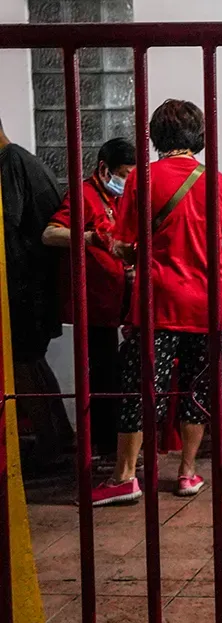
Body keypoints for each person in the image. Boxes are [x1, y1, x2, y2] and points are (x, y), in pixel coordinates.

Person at [90, 99, 222, 506]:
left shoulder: (143, 179)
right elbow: (220, 234)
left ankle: (125, 477)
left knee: (139, 388)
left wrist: (136, 253)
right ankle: (188, 474)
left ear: (155, 136)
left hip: (161, 301)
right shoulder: (217, 181)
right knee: (196, 388)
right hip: (206, 301)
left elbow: (122, 244)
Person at [42, 137, 137, 462]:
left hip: (125, 301)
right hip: (94, 305)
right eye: (123, 173)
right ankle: (105, 447)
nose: (126, 180)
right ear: (103, 168)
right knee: (103, 375)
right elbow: (50, 234)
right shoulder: (82, 195)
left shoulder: (125, 196)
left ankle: (119, 446)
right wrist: (90, 238)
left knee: (126, 374)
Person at [0, 113, 74, 474]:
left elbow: (6, 223)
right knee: (33, 363)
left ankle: (50, 446)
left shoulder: (10, 161)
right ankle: (60, 436)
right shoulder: (27, 159)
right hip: (39, 285)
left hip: (24, 288)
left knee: (22, 365)